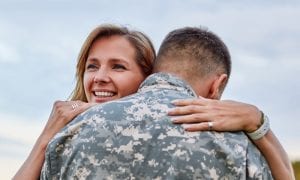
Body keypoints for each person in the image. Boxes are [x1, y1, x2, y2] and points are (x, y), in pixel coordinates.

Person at [13, 24, 293, 179]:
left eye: (118, 67)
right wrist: (258, 123)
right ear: (216, 85)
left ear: (151, 74)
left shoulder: (70, 137)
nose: (100, 78)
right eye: (91, 66)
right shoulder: (237, 143)